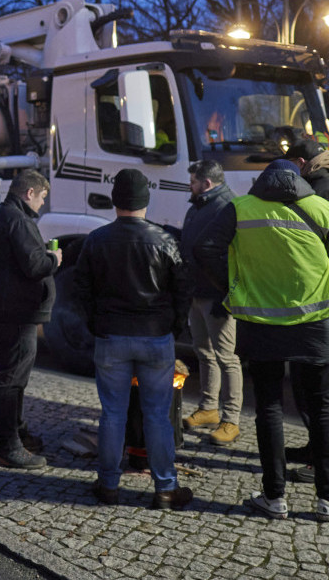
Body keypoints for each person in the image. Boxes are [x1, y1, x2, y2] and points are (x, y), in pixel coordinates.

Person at [193, 159, 329, 521]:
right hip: (315, 322)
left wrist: (232, 285)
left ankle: (274, 497)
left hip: (260, 321)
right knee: (322, 406)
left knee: (268, 407)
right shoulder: (320, 207)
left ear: (261, 180)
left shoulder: (241, 208)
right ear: (298, 180)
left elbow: (204, 248)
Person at [71, 168, 194, 509]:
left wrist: (96, 324)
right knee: (157, 416)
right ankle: (165, 488)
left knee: (113, 414)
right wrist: (173, 326)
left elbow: (81, 289)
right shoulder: (165, 240)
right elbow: (183, 289)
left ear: (115, 201)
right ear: (145, 201)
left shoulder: (96, 240)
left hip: (111, 336)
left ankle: (108, 485)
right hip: (155, 336)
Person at [0, 169, 62, 469]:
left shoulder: (0, 216)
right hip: (13, 314)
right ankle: (7, 446)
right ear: (29, 193)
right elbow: (35, 265)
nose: (42, 204)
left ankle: (17, 432)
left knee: (13, 377)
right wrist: (54, 258)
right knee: (11, 380)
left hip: (2, 311)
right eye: (42, 198)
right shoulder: (18, 220)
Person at [284, 140, 329, 483]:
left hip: (319, 296)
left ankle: (328, 460)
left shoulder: (322, 188)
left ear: (301, 161)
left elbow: (316, 245)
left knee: (312, 384)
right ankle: (318, 449)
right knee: (310, 381)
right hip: (326, 293)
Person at [179, 160, 242, 446]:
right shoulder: (200, 206)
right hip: (197, 291)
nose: (189, 186)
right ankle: (208, 409)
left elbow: (235, 254)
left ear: (206, 183)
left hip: (216, 294)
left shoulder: (227, 206)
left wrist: (226, 294)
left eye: (193, 181)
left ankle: (231, 420)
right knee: (204, 352)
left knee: (226, 357)